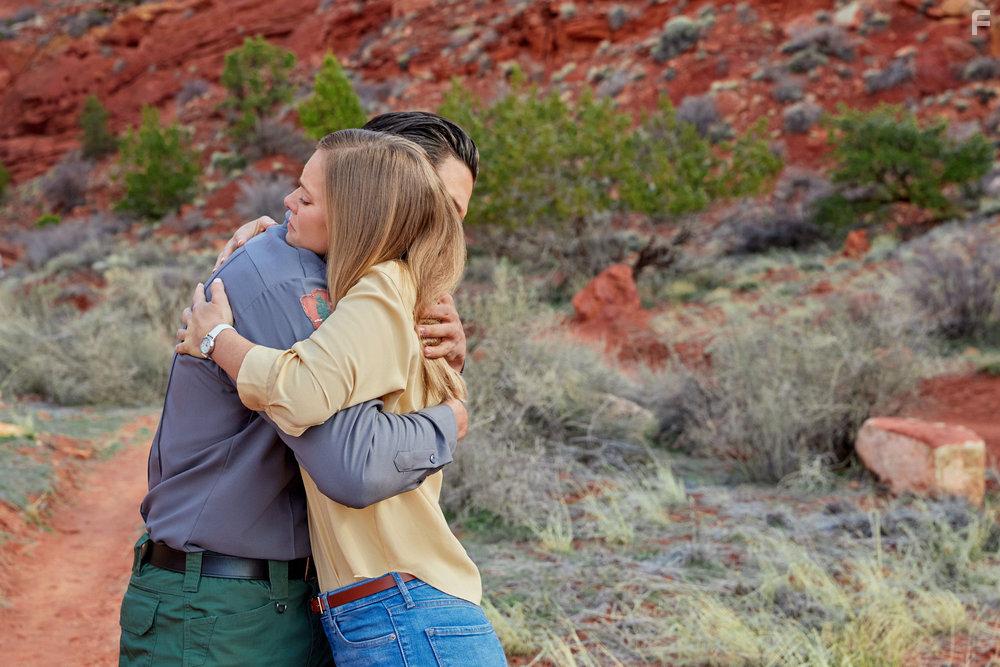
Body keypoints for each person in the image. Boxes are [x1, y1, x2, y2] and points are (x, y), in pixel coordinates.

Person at [119, 113, 481, 667]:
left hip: (288, 602)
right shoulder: (292, 276)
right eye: (440, 209)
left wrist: (443, 359)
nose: (444, 231)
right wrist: (448, 421)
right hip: (225, 611)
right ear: (382, 195)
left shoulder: (360, 288)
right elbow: (349, 462)